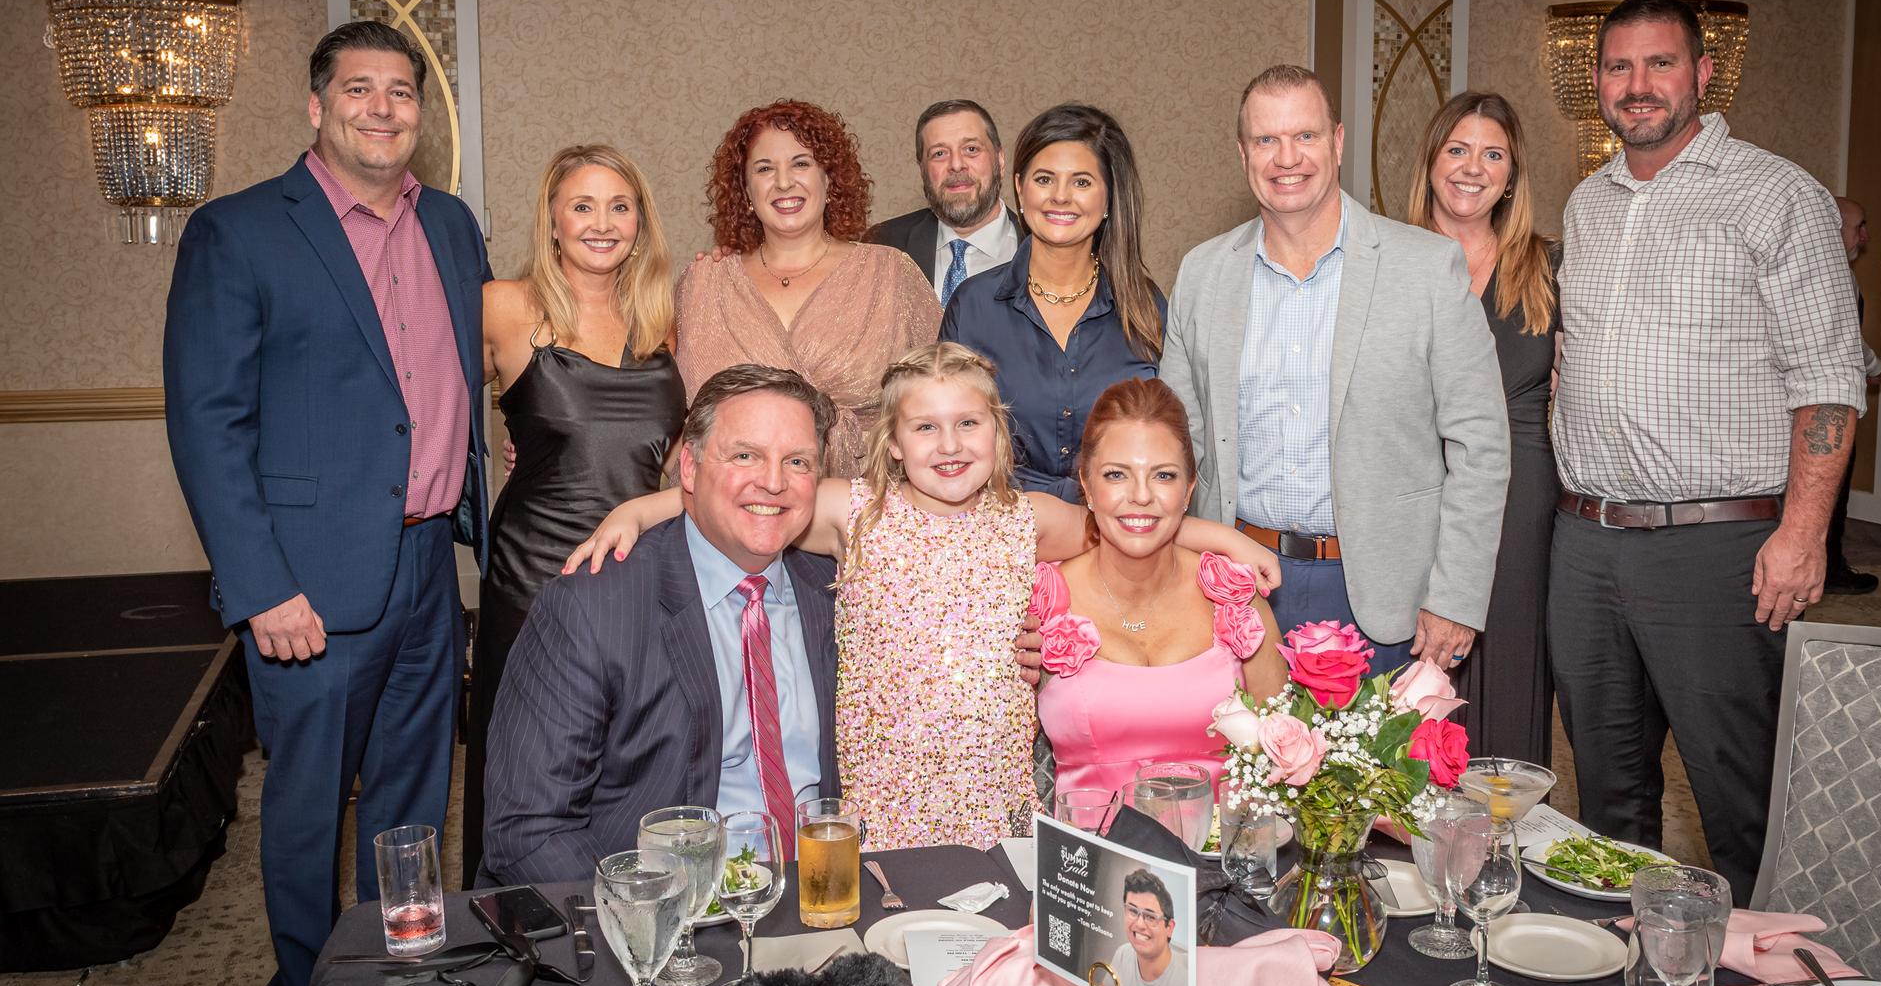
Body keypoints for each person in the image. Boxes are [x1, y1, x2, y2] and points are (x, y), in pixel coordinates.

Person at [565, 346, 1281, 850]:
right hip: (884, 812)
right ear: (894, 442)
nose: (949, 444)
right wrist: (638, 511)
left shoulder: (1026, 519)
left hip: (996, 807)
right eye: (925, 426)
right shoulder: (858, 511)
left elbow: (1124, 514)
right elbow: (753, 502)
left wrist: (1223, 538)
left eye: (969, 423)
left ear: (998, 434)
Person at [162, 21, 491, 986]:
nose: (383, 108)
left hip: (430, 565)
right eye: (360, 89)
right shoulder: (243, 230)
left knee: (412, 801)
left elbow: (457, 387)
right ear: (316, 106)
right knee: (306, 813)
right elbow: (207, 422)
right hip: (307, 581)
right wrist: (260, 586)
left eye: (402, 91)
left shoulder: (451, 224)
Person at [1550, 0, 1863, 904]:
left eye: (1660, 64)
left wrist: (1804, 533)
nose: (1637, 85)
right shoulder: (1589, 201)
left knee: (1741, 800)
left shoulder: (1777, 194)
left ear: (1703, 74)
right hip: (1589, 542)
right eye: (1618, 67)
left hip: (1717, 544)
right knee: (1605, 802)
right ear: (1597, 82)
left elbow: (1830, 375)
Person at [1160, 65, 1508, 677]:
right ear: (1242, 153)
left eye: (1306, 136)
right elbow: (1174, 446)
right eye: (1266, 140)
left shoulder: (1426, 269)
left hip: (1384, 595)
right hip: (1237, 588)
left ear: (1339, 141)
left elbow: (1480, 444)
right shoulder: (1202, 274)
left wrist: (1454, 596)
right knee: (1241, 773)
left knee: (1384, 776)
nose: (1286, 158)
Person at [480, 366, 840, 883]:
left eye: (798, 461)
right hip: (665, 916)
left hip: (825, 898)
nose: (774, 482)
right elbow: (528, 829)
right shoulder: (592, 607)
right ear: (689, 469)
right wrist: (651, 924)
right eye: (745, 455)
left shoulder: (835, 593)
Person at [460, 144, 685, 885]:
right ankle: (512, 925)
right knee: (523, 763)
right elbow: (428, 413)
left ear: (640, 222)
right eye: (582, 205)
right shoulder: (503, 305)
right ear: (552, 220)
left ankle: (629, 922)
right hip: (533, 572)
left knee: (627, 757)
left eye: (619, 206)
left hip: (635, 568)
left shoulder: (662, 317)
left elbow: (681, 453)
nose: (601, 222)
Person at [1031, 379, 1285, 803]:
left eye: (1163, 476)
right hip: (1083, 860)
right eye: (1116, 475)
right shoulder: (1041, 600)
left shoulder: (1235, 596)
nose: (1141, 496)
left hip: (1220, 858)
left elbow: (1283, 750)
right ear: (1087, 486)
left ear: (1188, 490)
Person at [1405, 93, 1559, 766]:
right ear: (1432, 162)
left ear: (1512, 172)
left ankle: (1503, 853)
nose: (1473, 168)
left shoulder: (1548, 266)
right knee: (1412, 687)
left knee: (1511, 679)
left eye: (1492, 154)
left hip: (1522, 505)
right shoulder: (1390, 261)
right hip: (1416, 492)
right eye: (1457, 150)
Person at [675, 100, 940, 477]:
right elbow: (667, 419)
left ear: (828, 180)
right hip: (725, 516)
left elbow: (944, 399)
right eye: (765, 169)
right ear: (746, 191)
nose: (784, 182)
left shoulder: (891, 273)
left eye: (801, 164)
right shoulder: (703, 283)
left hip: (866, 511)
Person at [942, 104, 1165, 502]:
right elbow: (946, 438)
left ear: (1109, 198)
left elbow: (1171, 444)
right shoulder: (972, 306)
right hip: (999, 536)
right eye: (1044, 179)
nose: (1060, 197)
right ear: (1020, 188)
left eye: (1081, 182)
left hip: (1121, 539)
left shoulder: (1146, 307)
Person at [868, 99, 1021, 302]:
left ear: (1000, 160)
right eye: (939, 153)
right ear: (922, 169)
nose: (956, 165)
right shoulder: (884, 244)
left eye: (971, 149)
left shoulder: (1040, 249)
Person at [1824, 195, 1881, 596]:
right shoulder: (1831, 274)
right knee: (1829, 494)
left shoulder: (1831, 271)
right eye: (1859, 226)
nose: (1866, 236)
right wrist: (1878, 369)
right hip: (1824, 407)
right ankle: (1829, 571)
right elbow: (1847, 341)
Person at [1108, 869, 1190, 986]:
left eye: (1150, 916)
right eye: (1132, 911)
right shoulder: (1123, 954)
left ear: (1169, 928)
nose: (1139, 924)